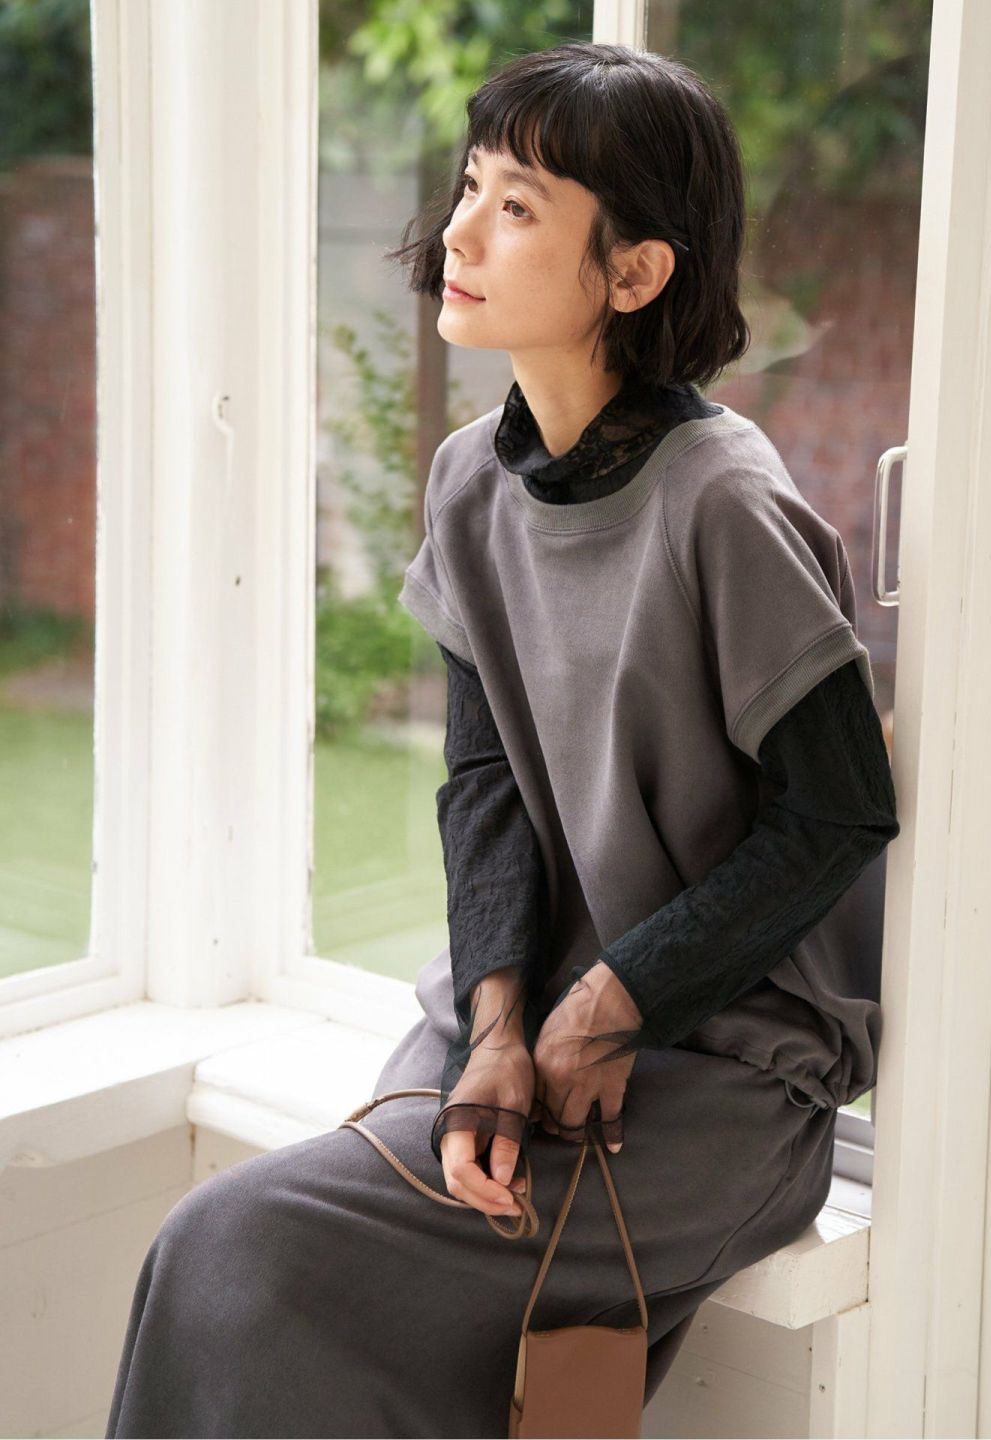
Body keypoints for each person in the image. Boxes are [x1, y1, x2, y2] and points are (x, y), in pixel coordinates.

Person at [106, 42, 901, 1438]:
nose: (458, 234)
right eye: (471, 185)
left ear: (634, 273)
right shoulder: (471, 477)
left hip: (718, 1068)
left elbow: (837, 811)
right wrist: (496, 1023)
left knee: (232, 1252)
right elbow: (483, 783)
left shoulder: (723, 502)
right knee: (284, 1298)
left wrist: (612, 1004)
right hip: (515, 1008)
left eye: (518, 206)